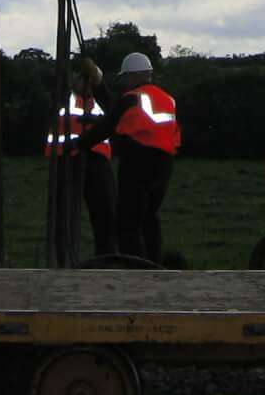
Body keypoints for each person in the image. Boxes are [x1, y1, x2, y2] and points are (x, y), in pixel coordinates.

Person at [84, 50, 179, 263]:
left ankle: (135, 270)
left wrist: (78, 144)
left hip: (138, 163)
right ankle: (155, 266)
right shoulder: (167, 99)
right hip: (165, 165)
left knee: (128, 223)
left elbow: (107, 126)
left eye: (126, 77)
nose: (125, 82)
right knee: (149, 219)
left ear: (134, 76)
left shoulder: (132, 99)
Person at [44, 57, 116, 257]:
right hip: (65, 158)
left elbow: (113, 110)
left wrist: (98, 82)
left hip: (97, 160)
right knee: (64, 216)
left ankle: (107, 257)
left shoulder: (101, 102)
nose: (86, 83)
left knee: (105, 213)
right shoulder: (63, 97)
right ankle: (64, 258)